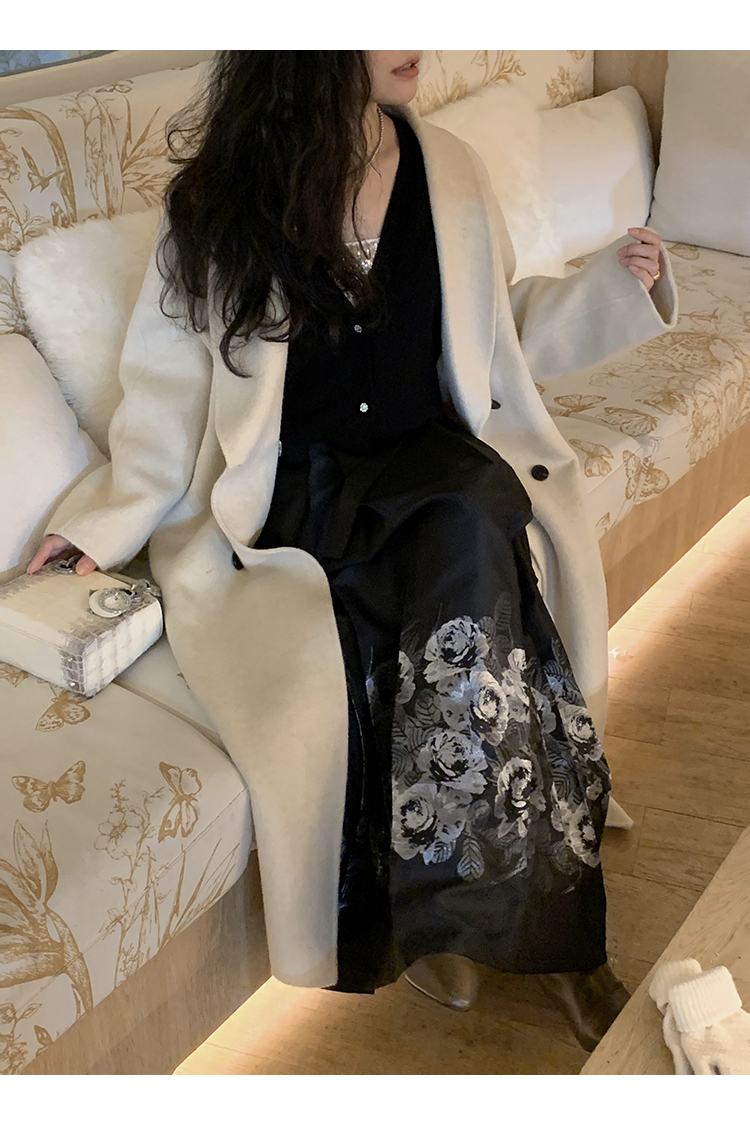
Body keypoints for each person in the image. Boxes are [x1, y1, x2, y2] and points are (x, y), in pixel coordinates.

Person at [28, 51, 677, 1052]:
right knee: (401, 582)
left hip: (430, 461)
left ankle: (530, 932)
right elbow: (168, 395)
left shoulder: (449, 170)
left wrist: (609, 288)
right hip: (301, 489)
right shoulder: (218, 203)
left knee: (467, 522)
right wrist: (99, 523)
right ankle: (459, 909)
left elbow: (495, 339)